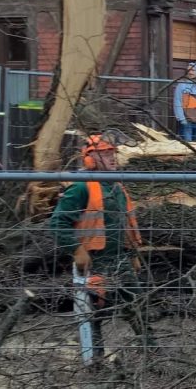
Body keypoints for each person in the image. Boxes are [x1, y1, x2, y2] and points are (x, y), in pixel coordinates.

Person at [50, 135, 155, 359]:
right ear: (90, 158)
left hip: (120, 258)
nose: (112, 157)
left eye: (112, 153)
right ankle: (94, 359)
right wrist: (77, 250)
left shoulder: (116, 185)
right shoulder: (81, 187)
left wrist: (133, 253)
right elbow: (58, 222)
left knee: (137, 305)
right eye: (105, 154)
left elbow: (126, 223)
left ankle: (152, 352)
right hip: (94, 261)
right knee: (94, 312)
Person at [173, 62, 196, 141]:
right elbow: (177, 102)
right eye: (188, 70)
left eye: (193, 70)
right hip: (187, 123)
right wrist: (182, 120)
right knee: (188, 148)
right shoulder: (181, 85)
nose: (190, 72)